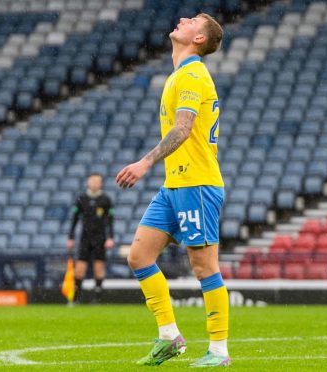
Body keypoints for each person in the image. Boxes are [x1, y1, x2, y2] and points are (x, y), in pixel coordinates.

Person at [115, 13, 229, 367]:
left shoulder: (194, 74)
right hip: (175, 184)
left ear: (199, 39)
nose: (183, 19)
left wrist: (144, 163)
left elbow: (183, 129)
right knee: (139, 257)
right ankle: (169, 337)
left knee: (204, 267)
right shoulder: (179, 74)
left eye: (193, 20)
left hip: (197, 183)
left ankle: (218, 352)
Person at [66, 173, 115, 303]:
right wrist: (70, 237)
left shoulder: (105, 200)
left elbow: (110, 220)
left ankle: (97, 297)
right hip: (85, 237)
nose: (94, 183)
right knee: (80, 267)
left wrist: (111, 237)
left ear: (101, 183)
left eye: (97, 181)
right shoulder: (81, 198)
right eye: (92, 181)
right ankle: (76, 297)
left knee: (99, 266)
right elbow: (75, 219)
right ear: (88, 182)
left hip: (100, 237)